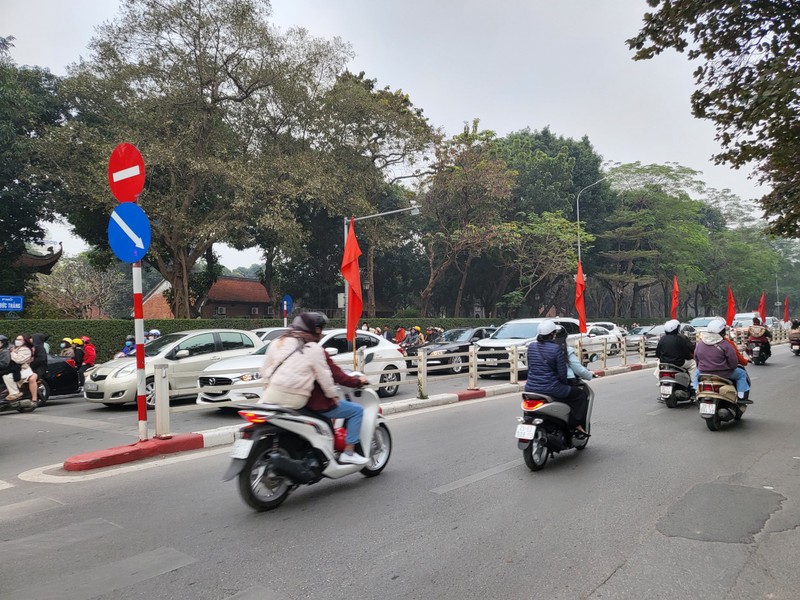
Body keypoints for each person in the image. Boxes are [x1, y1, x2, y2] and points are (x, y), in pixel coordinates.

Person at [261, 312, 370, 465]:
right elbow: (327, 377)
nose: (322, 332)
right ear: (315, 330)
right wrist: (333, 395)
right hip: (299, 400)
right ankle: (349, 452)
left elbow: (265, 371)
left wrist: (268, 387)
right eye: (320, 329)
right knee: (356, 410)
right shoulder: (313, 348)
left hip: (270, 396)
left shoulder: (278, 342)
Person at [525, 320, 590, 437]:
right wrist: (565, 384)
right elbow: (562, 374)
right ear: (552, 334)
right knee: (580, 396)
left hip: (530, 388)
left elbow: (530, 367)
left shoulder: (531, 347)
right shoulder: (556, 349)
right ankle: (575, 425)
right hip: (552, 388)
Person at [694, 318, 752, 404]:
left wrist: (702, 368)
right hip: (723, 374)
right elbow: (733, 363)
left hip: (704, 373)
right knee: (741, 374)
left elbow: (697, 359)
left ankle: (695, 391)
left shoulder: (700, 344)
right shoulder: (725, 344)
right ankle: (741, 397)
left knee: (696, 373)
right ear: (722, 332)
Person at [655, 318, 696, 390]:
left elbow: (657, 353)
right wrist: (689, 358)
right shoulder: (680, 339)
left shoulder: (662, 339)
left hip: (664, 362)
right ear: (676, 329)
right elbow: (686, 353)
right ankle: (693, 384)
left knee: (658, 363)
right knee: (693, 364)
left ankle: (660, 380)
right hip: (678, 362)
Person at [2, 334, 39, 403]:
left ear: (24, 341)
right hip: (13, 369)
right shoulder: (13, 348)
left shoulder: (26, 350)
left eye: (19, 339)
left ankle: (15, 393)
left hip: (23, 370)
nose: (17, 341)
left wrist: (12, 353)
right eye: (17, 339)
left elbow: (19, 360)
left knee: (7, 376)